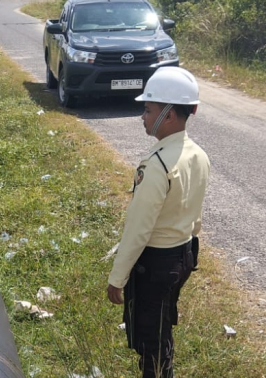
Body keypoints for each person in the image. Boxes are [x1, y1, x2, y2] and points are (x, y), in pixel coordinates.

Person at [106, 66, 211, 378]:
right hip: (183, 255)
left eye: (148, 109)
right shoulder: (198, 155)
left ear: (169, 115)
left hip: (156, 263)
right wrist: (188, 249)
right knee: (162, 325)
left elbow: (139, 229)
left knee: (150, 337)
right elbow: (195, 215)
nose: (143, 116)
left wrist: (117, 276)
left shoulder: (157, 164)